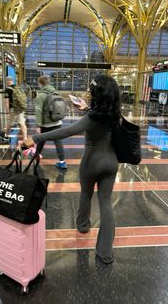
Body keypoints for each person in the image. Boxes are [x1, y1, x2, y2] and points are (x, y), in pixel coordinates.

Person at [24, 74, 121, 264]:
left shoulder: (92, 117)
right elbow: (99, 117)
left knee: (86, 194)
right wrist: (86, 108)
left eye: (91, 91)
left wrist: (35, 138)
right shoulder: (115, 113)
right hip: (111, 162)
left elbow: (66, 131)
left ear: (96, 95)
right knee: (106, 203)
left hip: (91, 162)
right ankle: (105, 252)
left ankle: (83, 226)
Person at [34, 75, 67, 169]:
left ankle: (36, 156)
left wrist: (38, 125)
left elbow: (38, 110)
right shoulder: (56, 92)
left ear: (40, 83)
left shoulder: (40, 95)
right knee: (58, 142)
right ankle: (62, 162)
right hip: (57, 121)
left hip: (46, 123)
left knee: (41, 139)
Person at [0, 77, 27, 141]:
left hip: (13, 109)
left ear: (7, 81)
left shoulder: (7, 89)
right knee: (22, 123)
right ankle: (25, 137)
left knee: (10, 122)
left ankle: (5, 135)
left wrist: (7, 112)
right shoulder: (18, 88)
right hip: (20, 108)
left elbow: (6, 101)